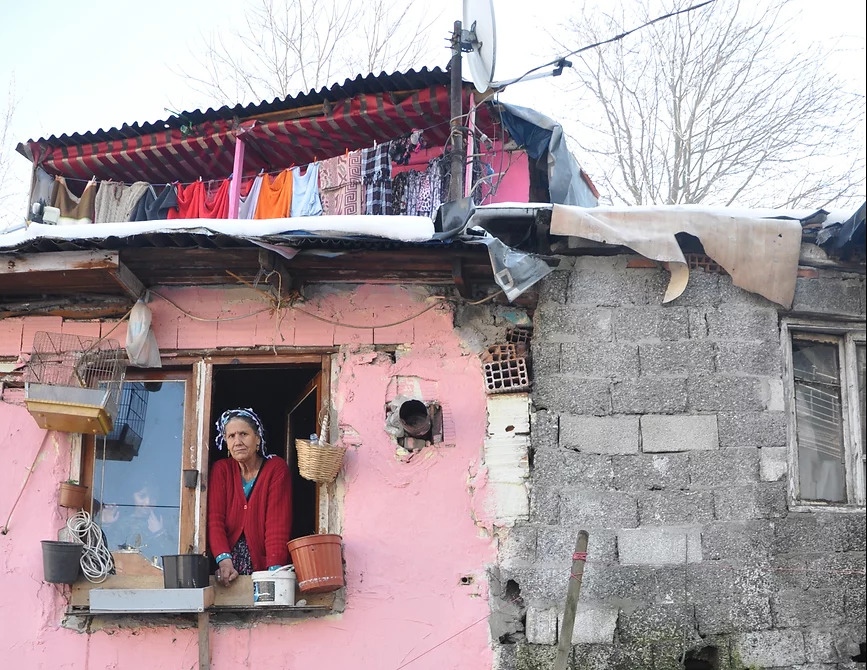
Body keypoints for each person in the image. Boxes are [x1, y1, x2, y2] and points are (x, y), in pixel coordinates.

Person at [208, 408, 292, 587]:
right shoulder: (221, 470)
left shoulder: (275, 469)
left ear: (258, 438)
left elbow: (277, 525)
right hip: (228, 566)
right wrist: (223, 560)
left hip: (264, 565)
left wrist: (274, 573)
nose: (237, 441)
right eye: (231, 436)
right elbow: (215, 520)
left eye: (243, 434)